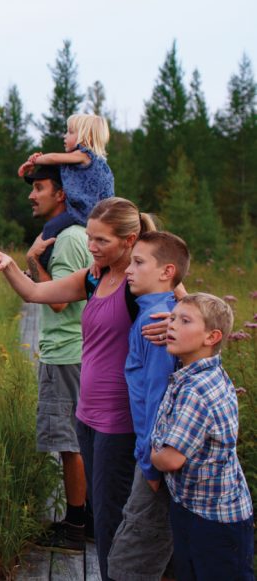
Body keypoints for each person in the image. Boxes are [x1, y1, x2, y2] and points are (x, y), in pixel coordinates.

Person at [0, 197, 167, 581]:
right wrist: (9, 265)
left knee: (114, 525)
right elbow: (35, 294)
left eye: (101, 241)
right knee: (105, 516)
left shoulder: (142, 285)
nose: (91, 247)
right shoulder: (95, 277)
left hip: (119, 422)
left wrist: (173, 323)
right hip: (87, 418)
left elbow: (196, 311)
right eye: (90, 238)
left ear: (130, 240)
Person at [151, 293, 254, 580]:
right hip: (194, 508)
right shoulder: (198, 374)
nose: (171, 325)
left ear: (212, 337)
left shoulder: (196, 389)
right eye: (171, 318)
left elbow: (171, 459)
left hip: (215, 521)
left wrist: (151, 453)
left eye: (184, 321)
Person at [107, 231, 190, 581]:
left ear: (166, 271)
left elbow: (158, 400)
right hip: (155, 454)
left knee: (129, 564)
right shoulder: (163, 313)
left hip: (156, 458)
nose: (129, 269)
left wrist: (151, 466)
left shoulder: (157, 322)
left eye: (139, 262)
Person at [16, 164, 91, 553]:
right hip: (79, 351)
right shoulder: (76, 236)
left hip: (66, 352)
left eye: (40, 187)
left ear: (62, 193)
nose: (32, 195)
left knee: (69, 442)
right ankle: (90, 518)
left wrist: (34, 263)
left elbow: (59, 300)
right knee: (80, 438)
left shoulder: (65, 242)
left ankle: (75, 526)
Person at [18, 114, 114, 270]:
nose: (65, 136)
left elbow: (55, 158)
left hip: (84, 212)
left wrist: (34, 161)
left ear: (84, 137)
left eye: (70, 132)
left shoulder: (84, 155)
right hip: (96, 213)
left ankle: (39, 265)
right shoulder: (88, 162)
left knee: (50, 228)